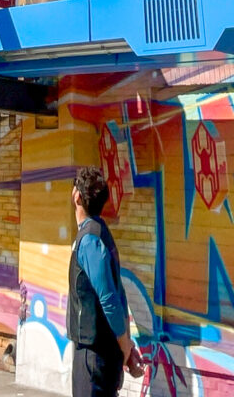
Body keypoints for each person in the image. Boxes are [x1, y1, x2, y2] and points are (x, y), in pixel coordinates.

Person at [68, 166, 144, 397]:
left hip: (94, 356)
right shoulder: (98, 232)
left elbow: (110, 299)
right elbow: (116, 292)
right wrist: (127, 344)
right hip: (99, 352)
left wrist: (125, 346)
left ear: (77, 196)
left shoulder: (90, 240)